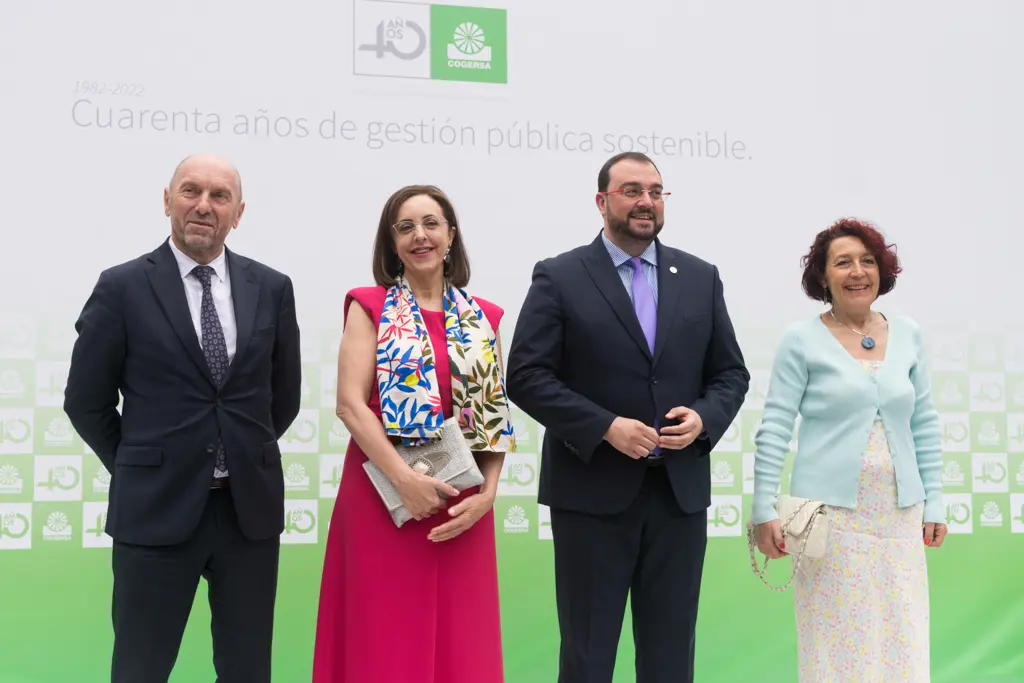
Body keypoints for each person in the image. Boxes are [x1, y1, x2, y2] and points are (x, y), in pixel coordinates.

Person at [505, 152, 750, 683]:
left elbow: (731, 374)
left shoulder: (701, 277)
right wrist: (603, 426)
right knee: (589, 655)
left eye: (656, 191)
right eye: (632, 190)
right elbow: (525, 376)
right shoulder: (560, 275)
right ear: (602, 201)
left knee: (670, 656)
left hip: (678, 497)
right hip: (591, 496)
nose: (646, 202)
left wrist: (704, 420)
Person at [62, 153, 302, 683]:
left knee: (247, 671)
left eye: (220, 196)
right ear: (167, 201)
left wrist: (232, 451)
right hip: (154, 511)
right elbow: (85, 400)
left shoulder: (273, 287)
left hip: (248, 516)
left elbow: (282, 399)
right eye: (191, 191)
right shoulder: (121, 287)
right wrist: (139, 462)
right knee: (141, 669)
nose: (204, 205)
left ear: (238, 213)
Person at [312, 184, 514, 683]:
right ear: (391, 241)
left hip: (462, 502)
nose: (419, 235)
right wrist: (404, 478)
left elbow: (491, 416)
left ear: (451, 234)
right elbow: (351, 406)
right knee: (383, 636)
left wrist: (489, 493)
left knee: (461, 640)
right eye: (405, 227)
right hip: (383, 495)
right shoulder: (370, 306)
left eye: (430, 223)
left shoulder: (484, 317)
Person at [750, 218, 946, 682]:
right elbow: (775, 427)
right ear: (822, 276)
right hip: (826, 517)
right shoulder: (801, 339)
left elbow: (925, 423)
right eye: (843, 263)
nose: (858, 272)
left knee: (903, 633)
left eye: (868, 261)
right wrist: (762, 509)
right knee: (834, 642)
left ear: (882, 271)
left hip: (899, 516)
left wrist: (934, 499)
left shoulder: (910, 334)